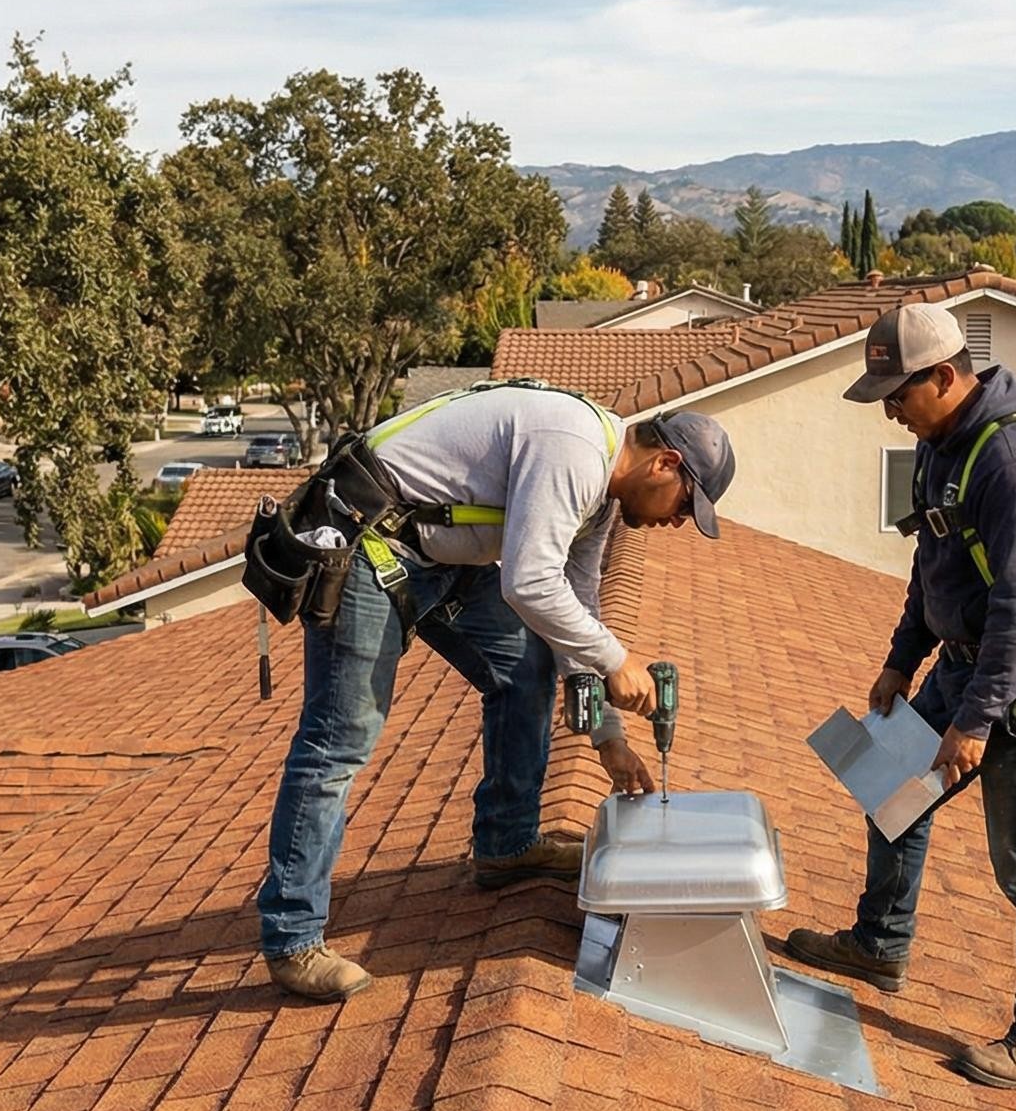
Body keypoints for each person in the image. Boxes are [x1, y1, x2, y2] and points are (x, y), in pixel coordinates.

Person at [259, 382, 737, 1002]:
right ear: (665, 463)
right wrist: (618, 660)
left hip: (436, 559)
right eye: (684, 505)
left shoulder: (599, 499)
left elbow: (575, 607)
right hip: (369, 544)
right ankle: (292, 938)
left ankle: (506, 844)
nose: (676, 521)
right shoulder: (574, 450)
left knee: (525, 664)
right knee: (338, 742)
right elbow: (530, 584)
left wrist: (608, 737)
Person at [780, 301, 1016, 1088]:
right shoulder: (940, 445)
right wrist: (900, 662)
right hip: (960, 661)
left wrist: (974, 723)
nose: (890, 409)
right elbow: (933, 569)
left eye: (898, 394)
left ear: (946, 376)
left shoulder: (1013, 462)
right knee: (886, 787)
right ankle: (879, 944)